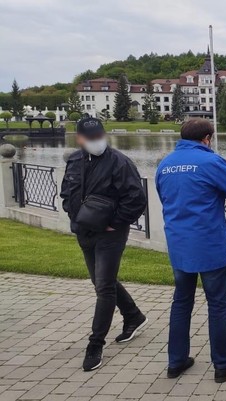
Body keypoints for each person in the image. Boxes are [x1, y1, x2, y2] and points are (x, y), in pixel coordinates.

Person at [155, 119, 226, 383]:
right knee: (218, 304)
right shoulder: (211, 162)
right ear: (207, 138)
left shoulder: (165, 164)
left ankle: (176, 362)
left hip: (178, 245)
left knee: (181, 302)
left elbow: (164, 197)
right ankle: (223, 365)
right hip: (208, 245)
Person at [60, 118, 148, 372]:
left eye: (99, 136)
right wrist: (73, 215)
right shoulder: (74, 161)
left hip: (111, 234)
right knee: (99, 281)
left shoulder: (119, 162)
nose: (96, 141)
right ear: (80, 139)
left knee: (104, 288)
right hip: (84, 231)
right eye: (90, 138)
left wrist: (115, 222)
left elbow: (136, 198)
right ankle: (133, 316)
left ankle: (95, 344)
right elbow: (67, 192)